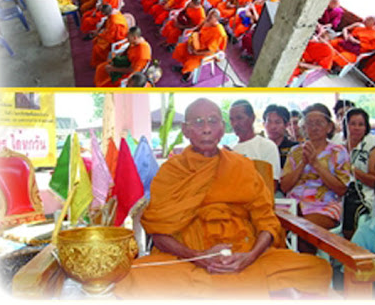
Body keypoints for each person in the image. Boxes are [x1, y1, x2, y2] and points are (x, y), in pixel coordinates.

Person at [114, 98, 332, 299]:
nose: (207, 129)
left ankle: (214, 285)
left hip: (245, 253)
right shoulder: (171, 171)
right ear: (186, 130)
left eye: (212, 121)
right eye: (198, 122)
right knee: (133, 276)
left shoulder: (241, 166)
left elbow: (266, 220)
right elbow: (158, 231)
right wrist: (197, 256)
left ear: (221, 128)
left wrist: (251, 256)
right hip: (188, 257)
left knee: (318, 268)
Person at [280, 103, 351, 253]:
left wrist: (315, 163)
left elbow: (341, 189)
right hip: (293, 204)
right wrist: (302, 163)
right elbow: (285, 187)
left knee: (302, 228)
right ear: (303, 128)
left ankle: (307, 267)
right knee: (273, 226)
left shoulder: (338, 151)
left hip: (324, 205)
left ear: (329, 127)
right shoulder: (295, 151)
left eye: (319, 123)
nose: (314, 127)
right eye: (309, 123)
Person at [341, 107, 375, 240]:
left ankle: (353, 244)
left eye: (361, 124)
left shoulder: (371, 147)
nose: (356, 128)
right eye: (352, 124)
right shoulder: (339, 146)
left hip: (363, 194)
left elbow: (374, 180)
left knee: (352, 208)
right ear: (346, 126)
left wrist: (352, 170)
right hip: (339, 190)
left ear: (366, 127)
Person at [229, 100, 282, 185]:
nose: (235, 124)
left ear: (252, 118)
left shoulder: (267, 146)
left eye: (239, 118)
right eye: (231, 119)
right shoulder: (230, 149)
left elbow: (271, 184)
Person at [172, 9, 227, 82]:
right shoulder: (206, 21)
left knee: (190, 63)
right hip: (196, 43)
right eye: (208, 16)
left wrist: (196, 53)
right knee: (180, 49)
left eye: (210, 17)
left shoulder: (219, 33)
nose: (207, 18)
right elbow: (196, 30)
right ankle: (183, 67)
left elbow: (210, 50)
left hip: (204, 53)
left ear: (216, 19)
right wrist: (190, 43)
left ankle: (189, 73)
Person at [90, 4, 129, 68]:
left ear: (104, 13)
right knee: (96, 40)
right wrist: (98, 30)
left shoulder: (114, 21)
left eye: (102, 12)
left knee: (97, 47)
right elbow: (106, 22)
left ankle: (101, 62)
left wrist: (99, 34)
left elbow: (110, 37)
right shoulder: (114, 12)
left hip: (119, 37)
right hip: (111, 33)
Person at [263, 104, 298, 168]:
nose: (273, 127)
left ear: (286, 125)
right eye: (269, 122)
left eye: (277, 122)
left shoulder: (294, 148)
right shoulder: (259, 147)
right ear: (264, 124)